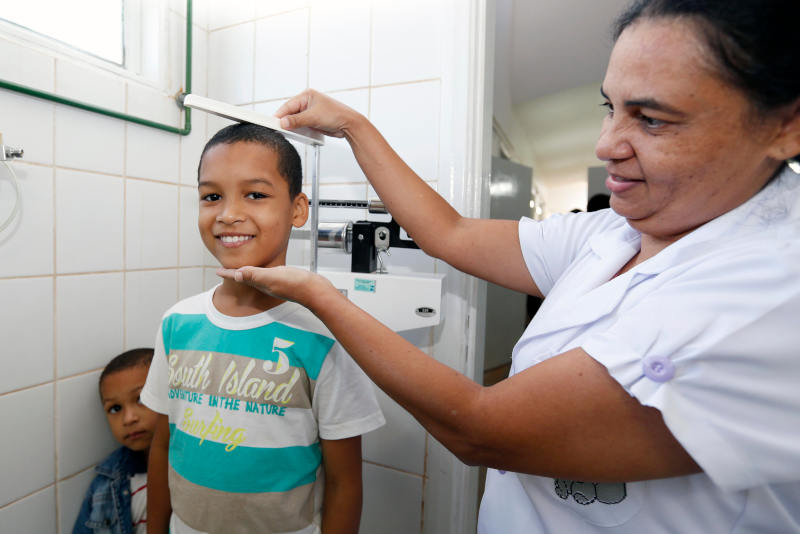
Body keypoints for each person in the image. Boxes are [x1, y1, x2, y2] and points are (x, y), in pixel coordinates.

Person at [217, 0, 800, 532]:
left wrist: (318, 294)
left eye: (651, 120)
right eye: (610, 108)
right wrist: (352, 126)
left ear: (784, 126)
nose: (606, 144)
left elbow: (481, 428)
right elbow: (451, 233)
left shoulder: (770, 296)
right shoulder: (616, 232)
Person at [140, 124, 384, 534]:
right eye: (211, 196)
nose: (228, 213)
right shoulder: (177, 323)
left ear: (297, 209)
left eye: (255, 194)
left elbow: (344, 483)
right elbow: (163, 444)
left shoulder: (326, 334)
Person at [74, 348, 158, 534]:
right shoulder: (107, 482)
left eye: (142, 399)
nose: (128, 419)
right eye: (115, 408)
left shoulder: (196, 472)